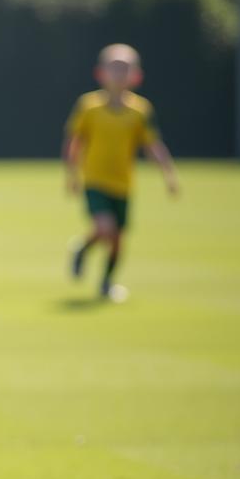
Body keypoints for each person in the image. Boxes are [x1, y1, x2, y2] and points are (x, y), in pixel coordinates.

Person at [64, 43, 179, 301]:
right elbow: (75, 140)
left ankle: (103, 278)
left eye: (125, 68)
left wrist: (168, 174)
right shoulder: (89, 106)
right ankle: (85, 249)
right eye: (114, 67)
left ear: (136, 76)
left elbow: (152, 145)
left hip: (123, 183)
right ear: (100, 73)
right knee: (105, 227)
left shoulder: (140, 111)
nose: (119, 73)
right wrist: (71, 175)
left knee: (116, 238)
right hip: (94, 179)